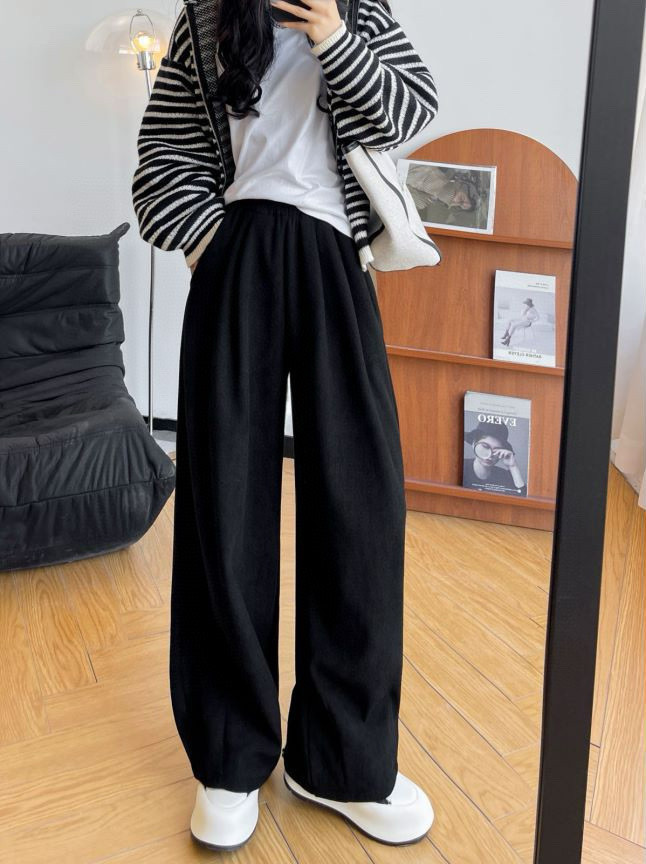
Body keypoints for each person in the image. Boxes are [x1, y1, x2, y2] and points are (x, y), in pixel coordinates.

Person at [131, 0, 439, 850]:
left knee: (363, 507)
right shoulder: (204, 17)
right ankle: (229, 758)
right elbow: (162, 154)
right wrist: (208, 246)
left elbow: (410, 109)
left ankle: (342, 759)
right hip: (238, 255)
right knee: (225, 504)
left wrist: (333, 36)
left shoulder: (360, 10)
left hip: (337, 258)